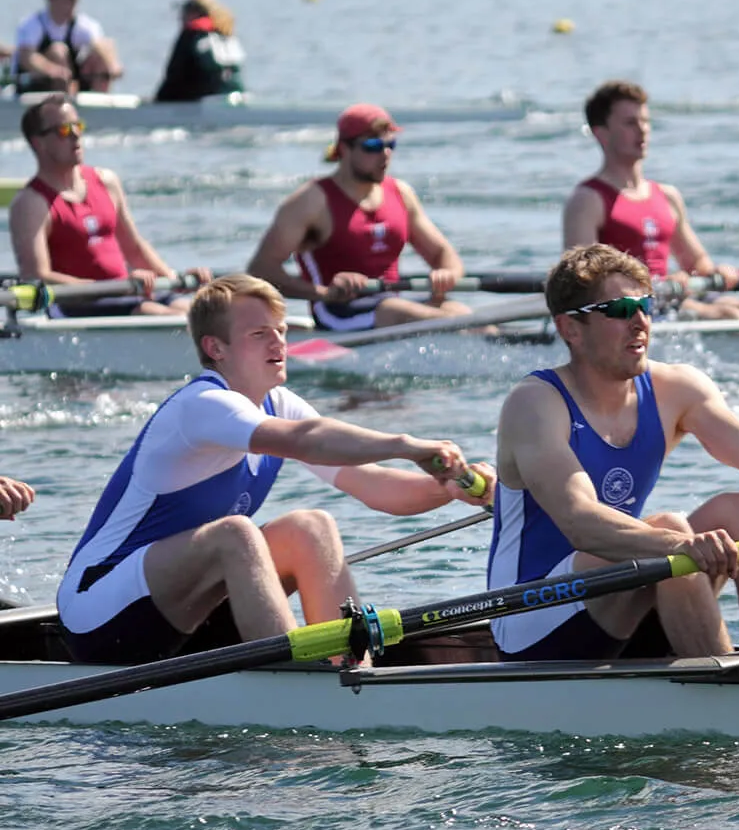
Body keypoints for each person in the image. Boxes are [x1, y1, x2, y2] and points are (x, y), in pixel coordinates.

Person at [489, 243, 739, 665]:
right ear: (570, 329)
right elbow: (581, 521)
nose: (640, 321)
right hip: (532, 619)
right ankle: (732, 694)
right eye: (618, 309)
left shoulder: (676, 389)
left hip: (623, 594)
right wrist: (680, 543)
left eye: (646, 305)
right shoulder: (536, 404)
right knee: (669, 530)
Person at [55, 274, 493, 664]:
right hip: (99, 615)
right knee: (237, 534)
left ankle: (348, 670)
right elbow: (304, 439)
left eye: (281, 331)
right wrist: (405, 444)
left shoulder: (278, 403)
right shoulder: (200, 406)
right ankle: (298, 681)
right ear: (216, 348)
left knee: (311, 526)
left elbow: (373, 485)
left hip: (184, 610)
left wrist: (449, 489)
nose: (279, 344)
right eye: (260, 333)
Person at [560, 80, 739, 321]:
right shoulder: (587, 200)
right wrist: (655, 285)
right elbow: (582, 283)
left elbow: (697, 263)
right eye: (631, 123)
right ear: (601, 134)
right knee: (729, 315)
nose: (643, 130)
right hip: (629, 311)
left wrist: (716, 272)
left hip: (669, 298)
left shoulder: (667, 196)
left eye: (645, 121)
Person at [247, 104, 473, 331]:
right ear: (344, 148)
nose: (385, 154)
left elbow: (442, 254)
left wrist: (447, 274)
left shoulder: (401, 193)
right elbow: (261, 269)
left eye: (390, 144)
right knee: (396, 310)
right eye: (372, 145)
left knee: (459, 311)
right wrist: (324, 294)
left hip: (392, 308)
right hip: (337, 311)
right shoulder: (310, 201)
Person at [8, 94, 206, 317]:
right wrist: (103, 287)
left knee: (195, 312)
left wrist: (174, 280)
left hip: (124, 292)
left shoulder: (106, 181)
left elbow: (134, 248)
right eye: (63, 130)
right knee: (153, 311)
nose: (75, 135)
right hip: (80, 305)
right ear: (39, 143)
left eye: (78, 126)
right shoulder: (31, 203)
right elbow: (36, 276)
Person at [13, 0, 123, 94]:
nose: (73, 2)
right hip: (35, 85)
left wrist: (112, 65)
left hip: (69, 81)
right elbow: (26, 58)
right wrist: (52, 70)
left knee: (101, 56)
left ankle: (104, 104)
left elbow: (101, 44)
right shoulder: (31, 24)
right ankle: (64, 104)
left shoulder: (82, 24)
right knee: (58, 51)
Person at [153, 0, 245, 103]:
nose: (180, 17)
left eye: (184, 12)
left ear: (194, 13)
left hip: (202, 101)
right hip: (236, 96)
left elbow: (175, 74)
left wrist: (159, 101)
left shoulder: (192, 34)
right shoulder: (226, 32)